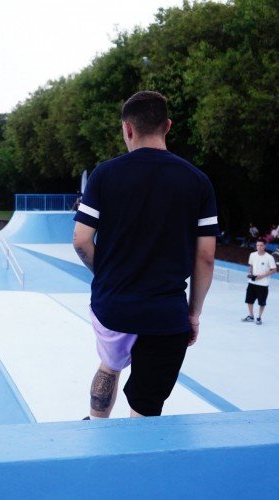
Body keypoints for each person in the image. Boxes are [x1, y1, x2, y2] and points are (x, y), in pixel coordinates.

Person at [72, 91, 218, 419]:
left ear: (127, 129)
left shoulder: (104, 174)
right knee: (146, 404)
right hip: (166, 312)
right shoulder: (198, 181)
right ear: (167, 126)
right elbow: (206, 256)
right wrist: (192, 314)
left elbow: (81, 240)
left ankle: (97, 425)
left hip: (113, 305)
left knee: (109, 366)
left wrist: (109, 275)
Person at [242, 239, 277, 325]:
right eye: (257, 245)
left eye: (261, 245)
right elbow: (251, 265)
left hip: (263, 284)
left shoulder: (269, 257)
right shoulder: (252, 255)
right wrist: (250, 273)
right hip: (252, 282)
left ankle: (259, 317)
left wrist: (262, 276)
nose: (259, 247)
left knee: (262, 302)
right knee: (249, 300)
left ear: (264, 246)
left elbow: (274, 270)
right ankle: (251, 316)